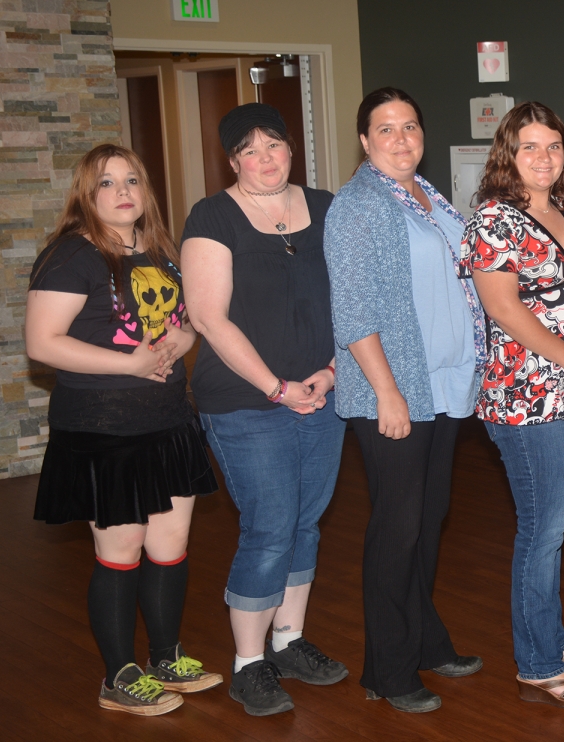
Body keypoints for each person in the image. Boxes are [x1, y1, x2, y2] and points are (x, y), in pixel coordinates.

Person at [26, 144, 219, 716]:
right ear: (87, 194)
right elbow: (43, 344)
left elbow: (182, 325)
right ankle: (118, 677)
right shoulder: (71, 256)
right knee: (122, 550)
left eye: (131, 180)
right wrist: (132, 363)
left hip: (166, 420)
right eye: (107, 183)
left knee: (170, 545)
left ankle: (166, 657)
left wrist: (178, 344)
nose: (123, 191)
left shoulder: (158, 251)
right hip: (103, 429)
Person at [181, 103, 348, 717]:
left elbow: (355, 299)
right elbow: (207, 317)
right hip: (245, 402)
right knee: (271, 526)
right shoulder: (213, 216)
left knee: (306, 521)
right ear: (232, 160)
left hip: (324, 394)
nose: (265, 158)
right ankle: (248, 665)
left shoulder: (327, 207)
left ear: (291, 148)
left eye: (274, 144)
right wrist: (277, 388)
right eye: (249, 150)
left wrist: (330, 374)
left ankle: (289, 641)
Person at [324, 87, 485, 714]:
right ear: (364, 141)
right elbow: (354, 311)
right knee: (397, 527)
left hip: (441, 383)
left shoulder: (431, 199)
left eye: (410, 126)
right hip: (393, 391)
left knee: (428, 517)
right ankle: (388, 670)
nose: (401, 139)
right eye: (385, 129)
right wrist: (387, 392)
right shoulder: (358, 206)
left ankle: (425, 640)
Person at [461, 102, 564, 709]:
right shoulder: (493, 220)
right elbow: (503, 307)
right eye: (529, 148)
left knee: (556, 526)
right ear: (508, 155)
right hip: (526, 397)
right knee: (541, 532)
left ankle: (550, 640)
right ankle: (539, 662)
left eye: (552, 147)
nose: (543, 158)